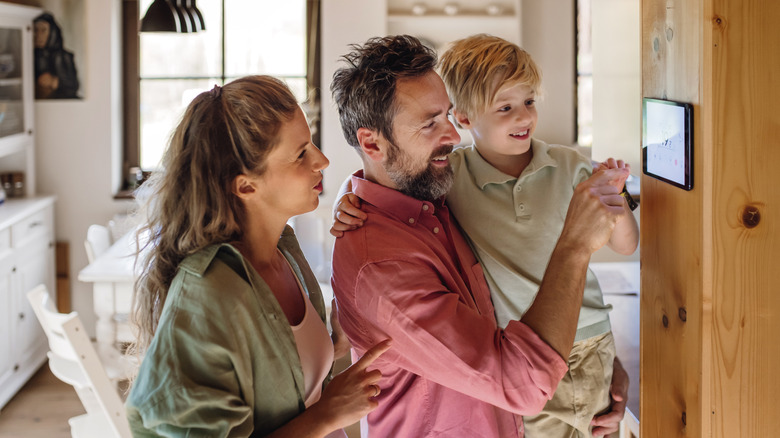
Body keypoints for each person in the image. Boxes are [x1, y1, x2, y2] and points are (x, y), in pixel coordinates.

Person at [328, 34, 631, 437]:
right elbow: (521, 382)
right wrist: (574, 245)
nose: (452, 136)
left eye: (447, 116)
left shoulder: (429, 193)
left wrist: (599, 354)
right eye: (430, 123)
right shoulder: (383, 263)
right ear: (372, 142)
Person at [125, 75, 390, 437]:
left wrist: (335, 342)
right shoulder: (205, 297)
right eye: (300, 154)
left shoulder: (284, 252)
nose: (323, 161)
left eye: (311, 144)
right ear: (246, 185)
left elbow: (286, 382)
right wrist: (327, 414)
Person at [33, 13, 80, 99]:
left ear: (52, 33)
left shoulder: (63, 56)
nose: (38, 35)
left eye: (43, 30)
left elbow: (73, 85)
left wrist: (54, 81)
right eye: (35, 30)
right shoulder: (31, 56)